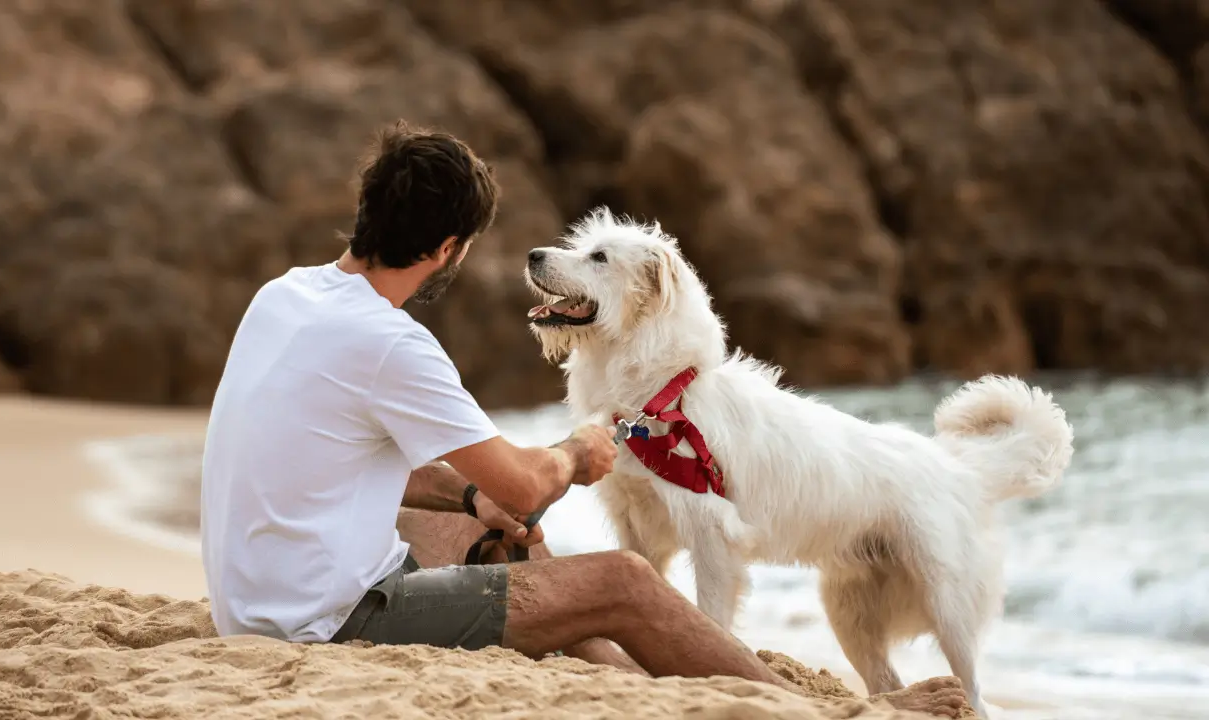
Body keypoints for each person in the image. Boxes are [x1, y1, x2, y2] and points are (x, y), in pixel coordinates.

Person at [198, 122, 966, 717]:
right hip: (331, 621)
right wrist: (574, 451)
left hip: (255, 596)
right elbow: (530, 486)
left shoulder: (286, 295)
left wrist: (472, 499)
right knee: (623, 579)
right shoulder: (393, 344)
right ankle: (812, 711)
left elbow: (352, 464)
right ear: (447, 248)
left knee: (493, 538)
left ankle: (636, 682)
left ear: (366, 211)